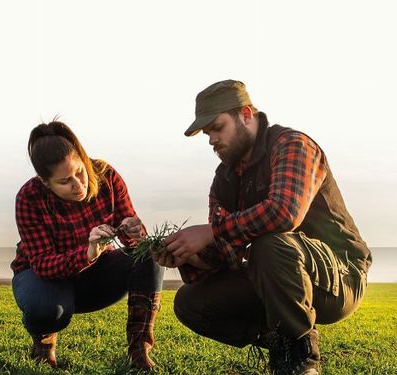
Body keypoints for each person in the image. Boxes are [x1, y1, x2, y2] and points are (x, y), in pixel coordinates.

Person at [153, 80, 372, 375]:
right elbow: (225, 255)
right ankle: (283, 343)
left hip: (339, 278)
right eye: (207, 134)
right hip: (273, 276)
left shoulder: (292, 145)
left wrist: (211, 232)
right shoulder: (224, 179)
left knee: (270, 244)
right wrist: (189, 255)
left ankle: (301, 359)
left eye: (217, 127)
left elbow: (284, 213)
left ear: (245, 114)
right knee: (190, 302)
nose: (211, 140)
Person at [10, 119, 164, 371]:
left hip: (96, 276)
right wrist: (87, 252)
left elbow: (133, 241)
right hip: (43, 277)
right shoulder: (29, 197)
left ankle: (140, 350)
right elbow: (43, 264)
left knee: (149, 257)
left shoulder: (106, 176)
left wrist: (134, 229)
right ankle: (44, 346)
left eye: (80, 172)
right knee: (48, 309)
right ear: (45, 182)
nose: (79, 185)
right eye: (65, 181)